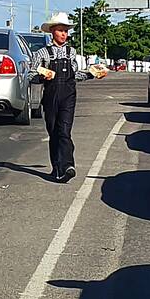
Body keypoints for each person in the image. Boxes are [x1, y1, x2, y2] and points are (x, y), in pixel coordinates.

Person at [30, 12, 107, 181]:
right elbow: (30, 75)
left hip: (68, 95)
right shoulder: (42, 53)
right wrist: (42, 76)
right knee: (53, 132)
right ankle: (57, 167)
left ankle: (68, 166)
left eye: (66, 30)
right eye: (60, 30)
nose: (64, 34)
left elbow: (75, 75)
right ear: (52, 32)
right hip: (50, 96)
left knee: (64, 131)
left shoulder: (72, 52)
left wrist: (92, 74)